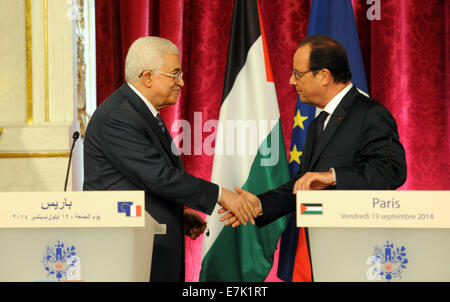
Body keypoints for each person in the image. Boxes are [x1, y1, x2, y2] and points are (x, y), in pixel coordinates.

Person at [83, 36, 257, 281]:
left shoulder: (139, 112)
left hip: (147, 244)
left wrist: (176, 213)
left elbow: (143, 181)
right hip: (127, 251)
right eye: (174, 74)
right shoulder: (119, 117)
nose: (182, 82)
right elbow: (159, 177)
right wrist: (220, 194)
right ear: (147, 77)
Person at [220, 34, 407, 227]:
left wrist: (332, 176)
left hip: (361, 243)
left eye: (298, 74)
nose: (291, 81)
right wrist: (260, 204)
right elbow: (303, 186)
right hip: (323, 243)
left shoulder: (370, 113)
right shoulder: (318, 124)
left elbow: (392, 170)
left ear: (324, 76)